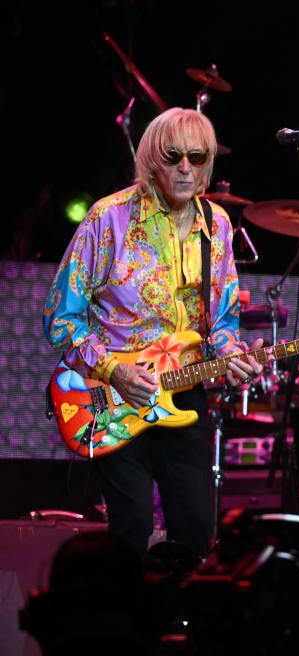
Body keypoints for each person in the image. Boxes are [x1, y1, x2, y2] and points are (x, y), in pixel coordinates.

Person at [44, 108, 263, 559]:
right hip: (114, 395)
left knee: (196, 531)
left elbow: (220, 322)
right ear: (152, 159)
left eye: (196, 157)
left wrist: (234, 356)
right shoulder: (110, 219)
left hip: (184, 390)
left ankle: (180, 626)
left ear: (206, 165)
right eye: (173, 155)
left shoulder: (216, 226)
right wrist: (114, 370)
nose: (185, 167)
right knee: (131, 528)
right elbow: (61, 318)